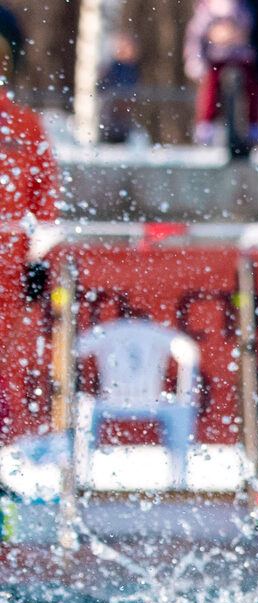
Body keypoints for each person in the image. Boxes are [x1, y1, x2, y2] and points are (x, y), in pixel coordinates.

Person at [0, 5, 58, 445]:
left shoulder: (27, 127)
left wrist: (38, 261)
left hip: (8, 274)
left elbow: (46, 207)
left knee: (5, 372)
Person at [184, 0, 258, 148]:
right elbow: (196, 37)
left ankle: (253, 125)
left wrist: (237, 33)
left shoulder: (243, 8)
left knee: (251, 88)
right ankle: (206, 126)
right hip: (217, 57)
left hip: (241, 57)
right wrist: (196, 61)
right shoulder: (206, 11)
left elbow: (249, 27)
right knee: (210, 90)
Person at [96, 31, 141, 145]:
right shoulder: (114, 67)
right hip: (111, 111)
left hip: (123, 112)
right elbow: (102, 86)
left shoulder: (132, 68)